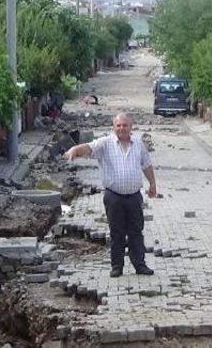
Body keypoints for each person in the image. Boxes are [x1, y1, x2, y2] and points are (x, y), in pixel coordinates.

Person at [63, 113, 157, 277]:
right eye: (118, 125)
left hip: (134, 196)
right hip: (114, 197)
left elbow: (146, 165)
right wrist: (75, 149)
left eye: (125, 125)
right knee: (117, 232)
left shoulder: (138, 144)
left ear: (130, 127)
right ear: (113, 128)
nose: (122, 128)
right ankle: (117, 266)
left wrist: (153, 184)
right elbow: (89, 148)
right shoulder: (105, 143)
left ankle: (139, 265)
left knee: (136, 232)